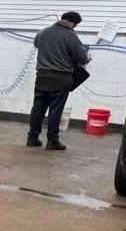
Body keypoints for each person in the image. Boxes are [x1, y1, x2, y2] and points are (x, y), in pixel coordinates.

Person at [27, 11, 91, 150]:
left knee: (38, 108)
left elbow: (37, 45)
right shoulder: (71, 35)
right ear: (74, 23)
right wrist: (87, 58)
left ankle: (32, 138)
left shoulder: (42, 33)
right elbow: (81, 58)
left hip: (42, 76)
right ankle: (52, 141)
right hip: (61, 78)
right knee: (55, 109)